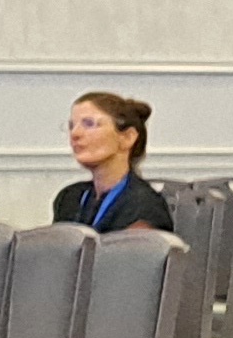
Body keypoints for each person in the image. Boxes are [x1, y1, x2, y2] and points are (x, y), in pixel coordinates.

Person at [51, 91, 174, 232]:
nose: (75, 134)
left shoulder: (144, 205)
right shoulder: (69, 198)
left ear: (128, 137)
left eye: (89, 124)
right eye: (72, 126)